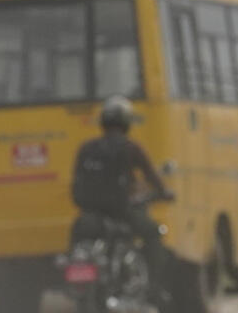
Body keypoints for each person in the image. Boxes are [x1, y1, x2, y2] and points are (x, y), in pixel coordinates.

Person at [71, 95, 173, 288]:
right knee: (153, 233)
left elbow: (76, 182)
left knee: (77, 237)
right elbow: (152, 177)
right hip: (123, 212)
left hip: (90, 214)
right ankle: (154, 285)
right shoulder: (131, 147)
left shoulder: (86, 148)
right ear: (127, 122)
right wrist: (164, 192)